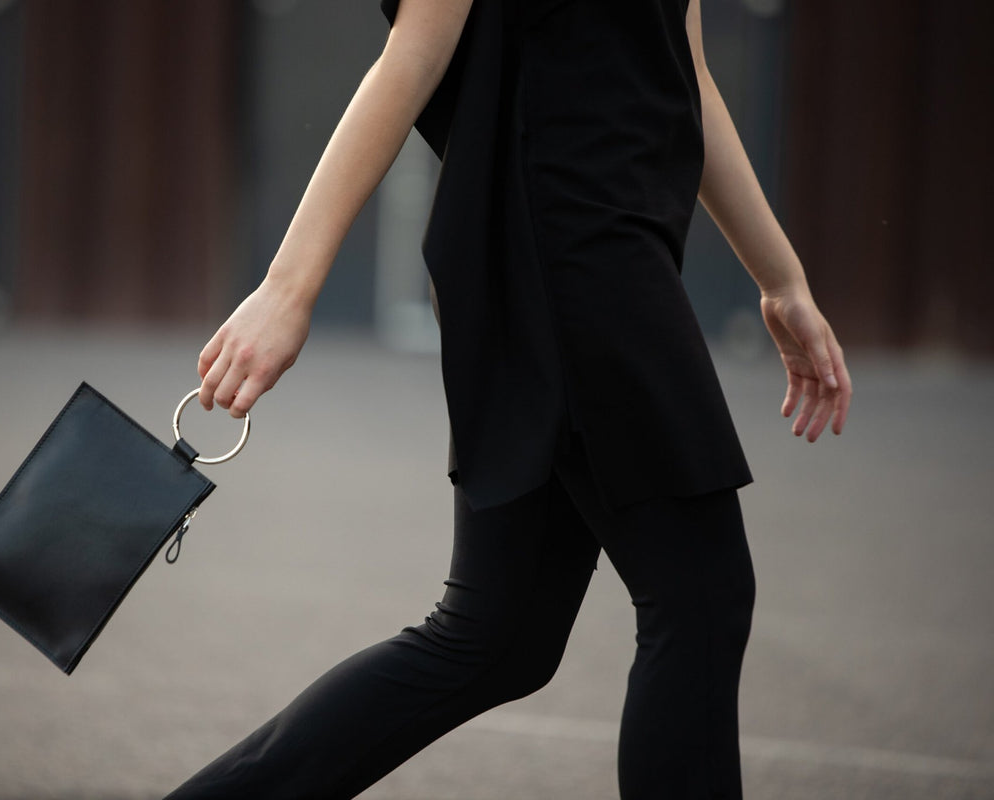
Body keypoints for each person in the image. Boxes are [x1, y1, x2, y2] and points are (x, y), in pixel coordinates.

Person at [167, 0, 852, 797]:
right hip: (572, 259)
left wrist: (781, 277)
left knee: (499, 635)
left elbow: (684, 69)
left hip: (603, 250)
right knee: (700, 597)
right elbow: (411, 57)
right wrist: (289, 287)